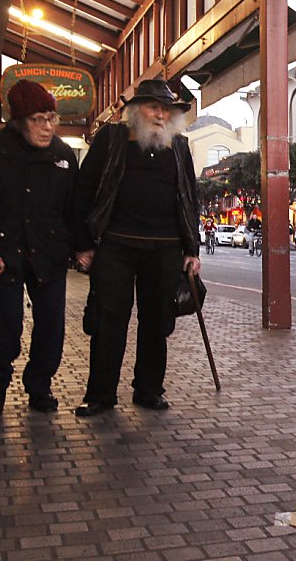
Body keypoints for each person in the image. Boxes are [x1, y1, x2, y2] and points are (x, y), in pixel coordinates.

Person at [72, 78, 201, 417]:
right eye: (153, 107)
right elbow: (84, 190)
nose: (160, 114)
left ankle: (148, 390)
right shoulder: (111, 140)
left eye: (166, 109)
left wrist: (192, 249)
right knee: (108, 321)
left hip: (166, 248)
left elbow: (190, 198)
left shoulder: (180, 147)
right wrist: (83, 244)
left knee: (157, 323)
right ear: (135, 111)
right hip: (115, 245)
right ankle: (101, 395)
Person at [0, 80, 78, 416]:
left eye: (52, 118)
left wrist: (78, 248)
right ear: (19, 120)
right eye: (38, 119)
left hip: (49, 256)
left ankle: (39, 387)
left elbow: (74, 210)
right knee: (4, 327)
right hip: (3, 255)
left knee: (51, 327)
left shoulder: (63, 155)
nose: (47, 127)